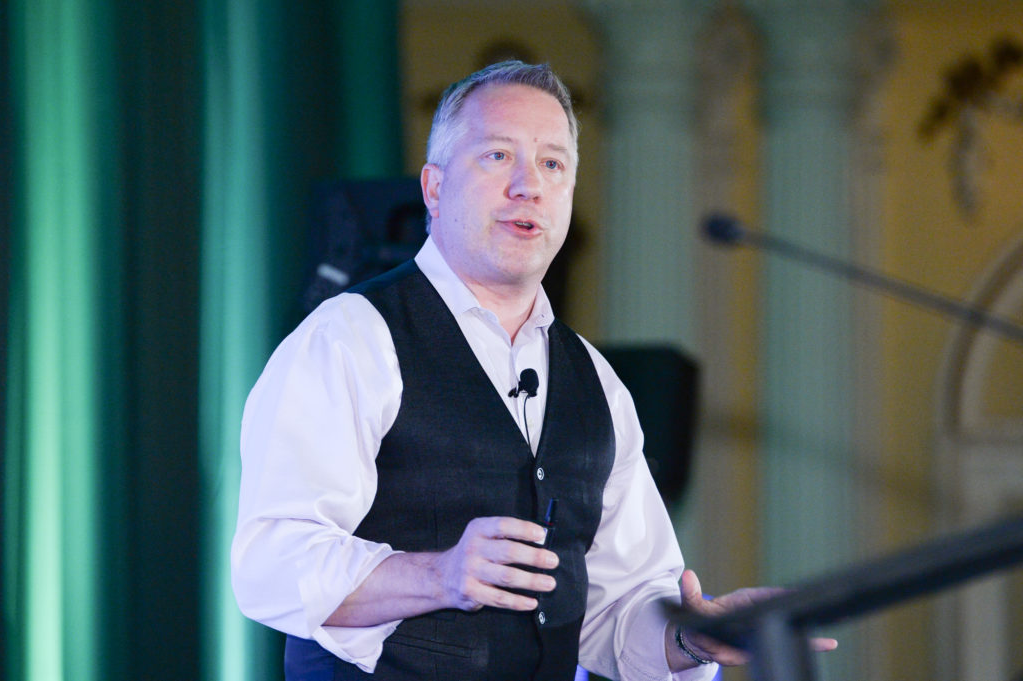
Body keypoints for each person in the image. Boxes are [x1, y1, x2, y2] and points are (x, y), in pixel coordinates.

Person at [231, 60, 835, 681]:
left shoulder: (596, 381)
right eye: (498, 156)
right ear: (434, 188)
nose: (529, 186)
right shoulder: (351, 337)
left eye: (553, 164)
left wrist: (698, 637)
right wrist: (438, 574)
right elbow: (271, 563)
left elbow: (618, 612)